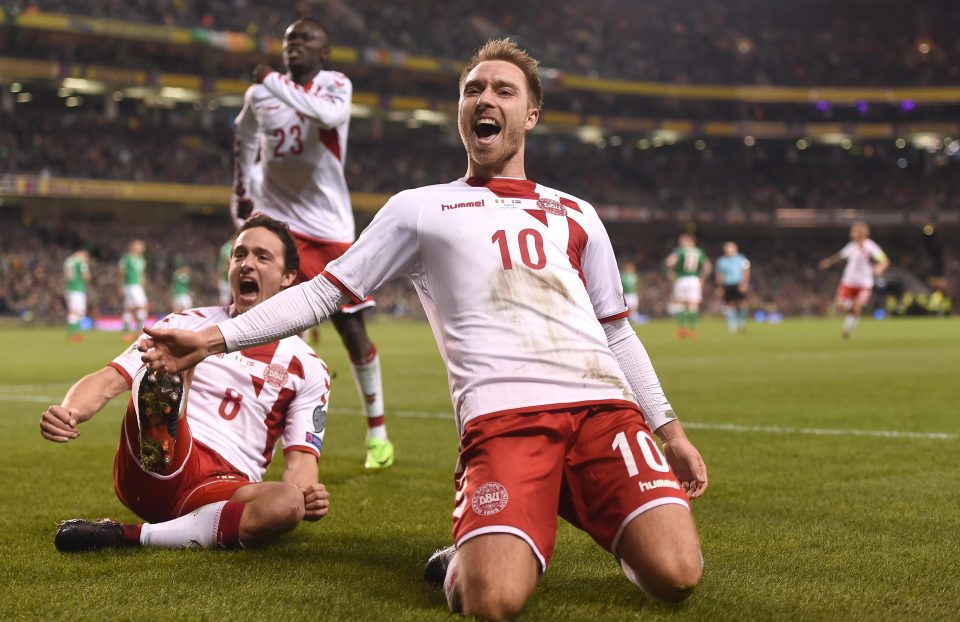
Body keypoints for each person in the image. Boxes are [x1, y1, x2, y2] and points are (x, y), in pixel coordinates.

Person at [142, 39, 707, 620]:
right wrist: (211, 340)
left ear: (531, 115)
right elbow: (321, 293)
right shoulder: (420, 208)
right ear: (461, 111)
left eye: (503, 90)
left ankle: (578, 500)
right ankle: (459, 557)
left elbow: (616, 331)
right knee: (490, 602)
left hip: (603, 412)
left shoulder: (579, 213)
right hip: (505, 419)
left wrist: (671, 432)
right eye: (473, 90)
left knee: (677, 576)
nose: (485, 98)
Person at [41, 215, 331, 552]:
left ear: (288, 277)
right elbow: (109, 381)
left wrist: (306, 495)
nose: (247, 265)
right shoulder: (185, 324)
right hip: (160, 463)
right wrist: (68, 410)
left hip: (224, 488)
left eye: (262, 257)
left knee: (286, 504)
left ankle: (130, 536)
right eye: (240, 255)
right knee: (162, 372)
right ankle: (166, 401)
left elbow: (301, 462)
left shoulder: (308, 367)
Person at [232, 17, 393, 469]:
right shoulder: (260, 96)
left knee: (351, 331)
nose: (295, 45)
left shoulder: (334, 84)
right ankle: (262, 434)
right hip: (277, 225)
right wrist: (241, 189)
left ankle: (377, 433)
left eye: (305, 39)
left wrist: (270, 77)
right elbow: (243, 137)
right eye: (288, 40)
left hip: (328, 231)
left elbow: (326, 116)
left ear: (324, 53)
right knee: (271, 329)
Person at [818, 221, 889, 338]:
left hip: (864, 283)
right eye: (853, 231)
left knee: (856, 307)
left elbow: (884, 260)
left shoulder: (871, 247)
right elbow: (840, 256)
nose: (853, 233)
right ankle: (850, 311)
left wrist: (879, 268)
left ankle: (847, 330)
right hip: (849, 281)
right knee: (840, 306)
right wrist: (828, 262)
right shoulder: (851, 246)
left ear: (864, 233)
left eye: (856, 231)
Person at [665, 233, 711, 339]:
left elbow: (669, 262)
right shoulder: (699, 252)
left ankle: (681, 329)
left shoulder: (680, 251)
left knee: (680, 304)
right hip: (694, 279)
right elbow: (707, 266)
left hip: (681, 279)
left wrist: (671, 272)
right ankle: (693, 330)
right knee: (693, 305)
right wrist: (702, 277)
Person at [715, 242, 751, 334]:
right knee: (730, 305)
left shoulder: (741, 258)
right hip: (728, 284)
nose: (728, 251)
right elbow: (720, 275)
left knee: (743, 304)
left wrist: (744, 283)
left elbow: (746, 270)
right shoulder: (721, 261)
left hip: (739, 283)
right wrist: (720, 287)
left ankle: (741, 323)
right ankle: (732, 326)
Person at [118, 239, 148, 340]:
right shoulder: (127, 258)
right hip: (131, 285)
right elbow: (121, 272)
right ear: (133, 247)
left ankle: (126, 333)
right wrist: (121, 285)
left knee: (129, 308)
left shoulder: (142, 260)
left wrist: (142, 286)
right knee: (143, 306)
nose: (142, 247)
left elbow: (141, 275)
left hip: (137, 286)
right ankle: (139, 330)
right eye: (139, 245)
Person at [63, 248, 91, 342]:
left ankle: (74, 334)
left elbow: (67, 275)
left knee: (75, 311)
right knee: (76, 312)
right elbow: (86, 276)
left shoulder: (69, 261)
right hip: (78, 289)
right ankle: (72, 334)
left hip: (70, 288)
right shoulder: (81, 263)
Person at [218, 238, 233, 306]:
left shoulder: (225, 247)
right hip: (227, 280)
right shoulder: (227, 248)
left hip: (226, 280)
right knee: (225, 304)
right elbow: (228, 264)